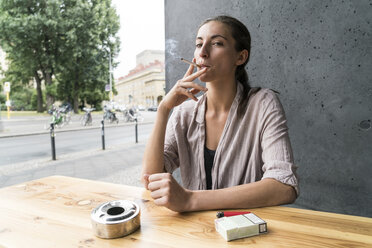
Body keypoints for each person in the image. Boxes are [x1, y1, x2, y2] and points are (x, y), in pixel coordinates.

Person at [141, 16, 298, 212]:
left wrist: (190, 200)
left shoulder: (262, 103)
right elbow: (150, 179)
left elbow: (284, 186)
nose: (203, 52)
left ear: (240, 57)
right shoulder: (183, 113)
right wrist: (164, 109)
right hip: (195, 232)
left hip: (245, 232)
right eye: (199, 44)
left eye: (216, 43)